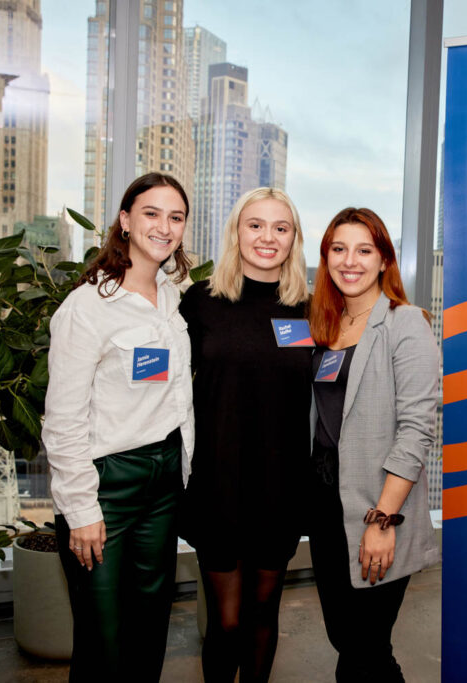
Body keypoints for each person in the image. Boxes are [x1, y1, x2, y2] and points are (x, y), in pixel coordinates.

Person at [42, 172, 194, 682]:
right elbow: (62, 421)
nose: (164, 226)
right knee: (102, 636)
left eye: (176, 217)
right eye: (152, 213)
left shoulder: (175, 297)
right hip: (107, 484)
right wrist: (81, 509)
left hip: (164, 480)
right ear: (125, 221)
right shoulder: (87, 307)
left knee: (150, 629)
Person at [178, 187, 312, 682]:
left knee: (262, 615)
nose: (267, 237)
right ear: (236, 230)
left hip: (280, 486)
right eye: (255, 224)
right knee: (226, 623)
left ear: (294, 238)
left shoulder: (311, 309)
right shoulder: (200, 302)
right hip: (217, 484)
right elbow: (161, 384)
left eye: (281, 227)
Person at [307, 207, 440, 682]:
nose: (350, 261)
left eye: (364, 250)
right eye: (338, 249)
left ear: (384, 259)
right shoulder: (324, 326)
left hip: (377, 508)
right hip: (325, 508)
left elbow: (416, 429)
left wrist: (383, 520)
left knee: (364, 648)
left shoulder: (406, 323)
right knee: (349, 640)